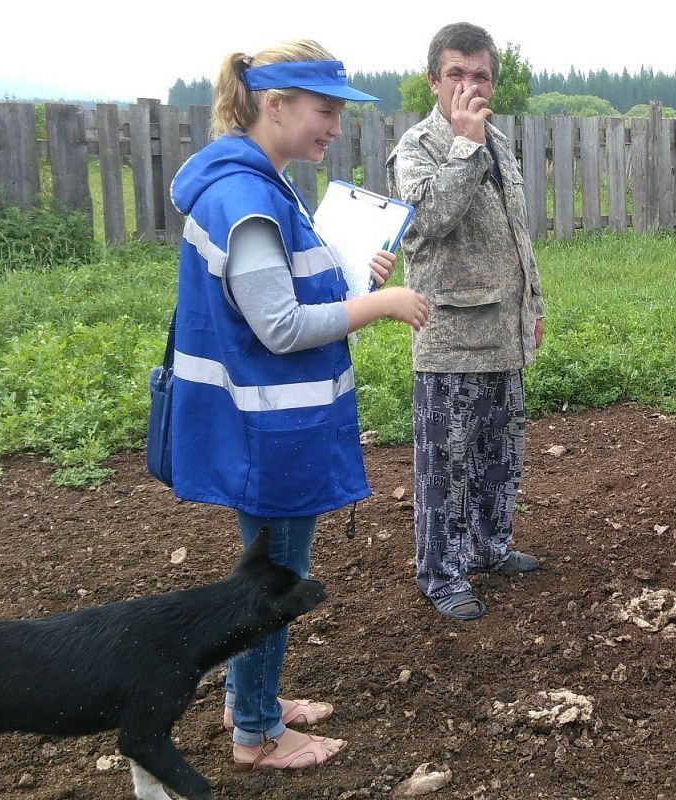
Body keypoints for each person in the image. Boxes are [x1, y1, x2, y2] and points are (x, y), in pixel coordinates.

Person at [168, 39, 428, 771]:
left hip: (271, 426)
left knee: (266, 569)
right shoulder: (247, 198)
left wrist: (347, 280)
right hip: (269, 431)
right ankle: (256, 733)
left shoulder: (263, 184)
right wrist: (379, 303)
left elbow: (282, 294)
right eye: (324, 111)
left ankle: (250, 698)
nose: (335, 127)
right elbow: (279, 328)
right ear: (273, 105)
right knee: (273, 582)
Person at [387, 22, 546, 622]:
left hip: (504, 332)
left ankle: (490, 546)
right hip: (450, 337)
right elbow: (427, 222)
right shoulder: (420, 146)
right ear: (434, 81)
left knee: (500, 452)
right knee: (446, 463)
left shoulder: (500, 143)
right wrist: (462, 145)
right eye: (456, 73)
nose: (469, 85)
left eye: (480, 75)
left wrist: (532, 305)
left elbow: (516, 234)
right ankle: (441, 573)